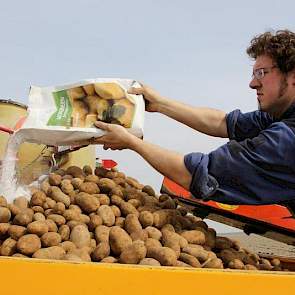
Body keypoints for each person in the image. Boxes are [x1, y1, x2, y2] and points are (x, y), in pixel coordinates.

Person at [92, 29, 295, 205]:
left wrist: (131, 142)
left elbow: (199, 174)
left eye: (261, 73)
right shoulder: (278, 116)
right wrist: (160, 103)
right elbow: (223, 123)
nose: (252, 83)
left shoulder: (287, 139)